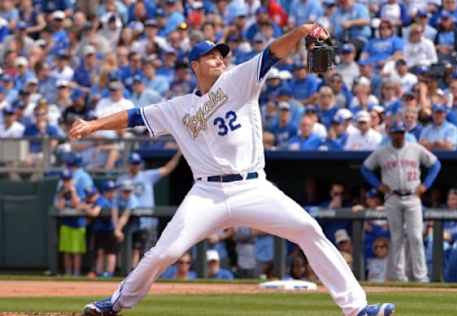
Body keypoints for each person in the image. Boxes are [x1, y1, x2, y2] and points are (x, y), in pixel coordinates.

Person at [71, 24, 394, 316]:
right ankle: (115, 304)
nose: (218, 59)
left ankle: (357, 309)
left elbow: (272, 53)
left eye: (220, 54)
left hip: (253, 187)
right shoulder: (177, 107)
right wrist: (93, 125)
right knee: (163, 252)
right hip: (206, 193)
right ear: (194, 66)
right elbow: (135, 116)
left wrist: (300, 32)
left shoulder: (238, 79)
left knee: (308, 230)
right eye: (209, 56)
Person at [361, 122, 441, 282]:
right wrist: (378, 185)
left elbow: (435, 164)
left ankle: (421, 276)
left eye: (401, 132)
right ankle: (399, 276)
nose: (399, 135)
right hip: (393, 197)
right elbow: (365, 168)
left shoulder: (415, 148)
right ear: (390, 134)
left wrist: (426, 185)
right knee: (396, 237)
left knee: (416, 237)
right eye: (396, 132)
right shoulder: (382, 152)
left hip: (412, 196)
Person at [117, 151, 182, 268]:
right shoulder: (122, 179)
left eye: (136, 163)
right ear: (128, 164)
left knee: (148, 251)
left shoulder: (147, 176)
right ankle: (131, 273)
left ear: (140, 164)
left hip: (148, 221)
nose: (134, 165)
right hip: (130, 220)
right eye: (132, 163)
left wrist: (178, 154)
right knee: (130, 250)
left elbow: (167, 169)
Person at [55, 169, 86, 276]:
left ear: (72, 179)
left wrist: (72, 191)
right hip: (66, 223)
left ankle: (76, 273)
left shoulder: (78, 189)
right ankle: (68, 273)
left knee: (76, 252)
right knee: (67, 251)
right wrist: (63, 194)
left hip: (78, 224)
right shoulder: (60, 190)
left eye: (68, 179)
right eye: (64, 180)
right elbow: (59, 207)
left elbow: (78, 205)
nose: (66, 182)